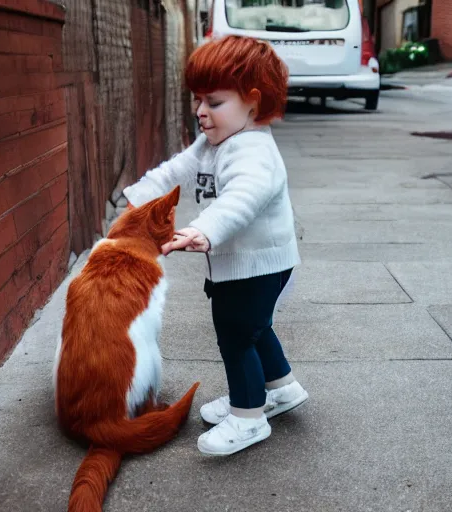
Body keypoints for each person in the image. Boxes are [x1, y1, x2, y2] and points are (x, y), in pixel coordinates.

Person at [123, 35, 308, 456]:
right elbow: (176, 170)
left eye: (214, 102)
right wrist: (139, 195)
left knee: (236, 335)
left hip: (257, 263)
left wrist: (205, 228)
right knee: (254, 327)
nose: (202, 112)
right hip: (239, 261)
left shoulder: (253, 151)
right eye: (198, 101)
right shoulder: (212, 143)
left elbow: (243, 198)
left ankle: (248, 416)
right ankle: (282, 388)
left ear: (253, 104)